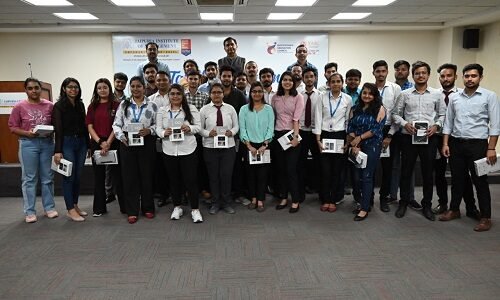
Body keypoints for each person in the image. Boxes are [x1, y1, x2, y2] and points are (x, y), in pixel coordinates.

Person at [440, 63, 499, 232]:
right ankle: (454, 210)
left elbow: (495, 125)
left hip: (478, 145)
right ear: (462, 77)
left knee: (480, 181)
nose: (470, 79)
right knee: (457, 179)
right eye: (467, 76)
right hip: (456, 143)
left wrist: (491, 148)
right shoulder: (454, 97)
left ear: (480, 77)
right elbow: (448, 122)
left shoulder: (489, 96)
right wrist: (445, 143)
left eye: (473, 76)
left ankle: (486, 217)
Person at [393, 61, 446, 221]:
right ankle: (403, 202)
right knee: (406, 172)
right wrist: (405, 124)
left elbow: (443, 115)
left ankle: (427, 205)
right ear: (413, 75)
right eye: (417, 73)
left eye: (423, 73)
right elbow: (396, 114)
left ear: (428, 75)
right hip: (408, 138)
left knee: (428, 173)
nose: (420, 75)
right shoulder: (405, 94)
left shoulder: (437, 94)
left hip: (429, 139)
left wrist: (436, 126)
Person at [8, 77, 58, 223]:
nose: (34, 91)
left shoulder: (50, 106)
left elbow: (56, 124)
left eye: (36, 88)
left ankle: (49, 208)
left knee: (47, 177)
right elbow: (12, 127)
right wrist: (27, 133)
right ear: (26, 90)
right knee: (29, 179)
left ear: (40, 89)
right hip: (28, 144)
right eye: (30, 88)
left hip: (47, 144)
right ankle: (30, 211)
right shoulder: (19, 107)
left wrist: (51, 131)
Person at [433, 63, 479, 218]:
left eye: (449, 75)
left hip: (457, 139)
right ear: (439, 77)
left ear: (456, 77)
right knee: (439, 174)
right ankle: (443, 203)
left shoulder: (462, 94)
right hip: (439, 138)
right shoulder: (434, 94)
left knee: (462, 175)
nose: (446, 79)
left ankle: (470, 207)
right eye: (443, 76)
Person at [112, 76, 157, 224]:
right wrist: (120, 136)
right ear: (129, 88)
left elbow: (158, 124)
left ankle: (148, 207)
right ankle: (132, 211)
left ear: (144, 88)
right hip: (127, 143)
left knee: (147, 175)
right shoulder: (124, 105)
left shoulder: (152, 105)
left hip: (146, 142)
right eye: (133, 86)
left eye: (139, 86)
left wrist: (149, 130)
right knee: (130, 177)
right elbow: (116, 124)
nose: (136, 89)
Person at [156, 84, 203, 223]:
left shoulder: (191, 109)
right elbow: (158, 128)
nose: (175, 96)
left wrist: (189, 128)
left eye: (178, 94)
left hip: (188, 149)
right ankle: (177, 207)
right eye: (172, 94)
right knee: (174, 180)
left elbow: (198, 127)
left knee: (191, 181)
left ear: (183, 95)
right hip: (169, 150)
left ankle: (195, 209)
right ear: (169, 95)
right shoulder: (162, 111)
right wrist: (164, 132)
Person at [313, 73, 352, 213]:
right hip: (324, 135)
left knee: (337, 170)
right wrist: (317, 139)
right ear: (328, 83)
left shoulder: (347, 99)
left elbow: (348, 121)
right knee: (325, 170)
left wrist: (348, 140)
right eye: (332, 81)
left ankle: (333, 199)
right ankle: (325, 199)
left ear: (342, 83)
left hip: (340, 136)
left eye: (338, 81)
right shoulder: (321, 97)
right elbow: (318, 117)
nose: (335, 84)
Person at [347, 83, 386, 221]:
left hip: (372, 145)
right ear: (361, 94)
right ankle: (362, 202)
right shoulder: (354, 108)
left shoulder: (380, 109)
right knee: (356, 177)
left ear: (375, 96)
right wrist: (355, 142)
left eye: (370, 93)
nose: (367, 96)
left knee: (367, 176)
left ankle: (364, 209)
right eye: (364, 93)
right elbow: (350, 126)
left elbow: (376, 129)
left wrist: (360, 138)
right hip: (356, 146)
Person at [85, 78, 124, 217]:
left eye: (105, 87)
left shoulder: (117, 105)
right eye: (99, 88)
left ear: (109, 88)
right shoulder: (92, 106)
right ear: (96, 90)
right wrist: (100, 142)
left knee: (118, 176)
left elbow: (118, 124)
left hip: (113, 142)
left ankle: (125, 207)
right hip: (97, 143)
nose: (102, 90)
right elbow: (89, 126)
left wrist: (108, 142)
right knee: (99, 177)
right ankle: (99, 208)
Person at [53, 77, 89, 222]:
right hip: (66, 143)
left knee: (78, 176)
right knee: (69, 176)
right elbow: (58, 130)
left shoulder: (80, 104)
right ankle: (70, 209)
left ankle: (75, 204)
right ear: (64, 89)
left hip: (81, 143)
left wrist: (89, 145)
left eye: (76, 87)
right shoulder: (59, 106)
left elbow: (85, 126)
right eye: (70, 87)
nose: (73, 89)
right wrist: (58, 150)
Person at [200, 83, 239, 214]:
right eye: (214, 92)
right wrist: (207, 133)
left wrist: (232, 133)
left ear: (223, 94)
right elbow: (199, 128)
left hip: (228, 147)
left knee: (226, 175)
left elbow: (236, 126)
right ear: (210, 94)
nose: (216, 95)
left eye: (219, 92)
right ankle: (215, 203)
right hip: (210, 147)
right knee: (213, 176)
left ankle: (226, 202)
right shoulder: (204, 110)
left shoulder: (230, 108)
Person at [271, 71, 304, 213]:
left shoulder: (298, 97)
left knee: (291, 169)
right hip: (278, 135)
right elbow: (273, 116)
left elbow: (296, 119)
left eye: (290, 80)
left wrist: (296, 137)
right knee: (281, 169)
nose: (287, 82)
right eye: (285, 79)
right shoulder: (275, 97)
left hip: (292, 135)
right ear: (281, 81)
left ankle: (295, 200)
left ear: (293, 82)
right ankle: (283, 198)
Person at [239, 82, 275, 212]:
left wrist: (265, 144)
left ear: (263, 93)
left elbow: (271, 128)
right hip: (248, 145)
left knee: (263, 174)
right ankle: (253, 198)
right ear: (251, 93)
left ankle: (260, 200)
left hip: (264, 145)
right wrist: (249, 145)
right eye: (254, 91)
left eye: (260, 91)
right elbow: (242, 129)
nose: (257, 94)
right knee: (250, 174)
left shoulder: (269, 109)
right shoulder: (244, 109)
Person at [372, 60, 401, 212]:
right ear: (373, 73)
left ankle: (384, 198)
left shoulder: (395, 89)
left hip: (388, 131)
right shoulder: (369, 88)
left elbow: (397, 114)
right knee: (370, 166)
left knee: (387, 168)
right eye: (378, 71)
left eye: (383, 71)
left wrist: (389, 135)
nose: (381, 74)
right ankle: (368, 198)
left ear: (387, 72)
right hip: (371, 131)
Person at [390, 59, 416, 208]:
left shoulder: (412, 89)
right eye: (398, 69)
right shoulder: (391, 88)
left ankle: (410, 197)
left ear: (408, 71)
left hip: (408, 132)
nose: (400, 71)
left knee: (409, 166)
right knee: (394, 165)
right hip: (393, 133)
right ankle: (393, 196)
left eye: (403, 69)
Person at [298, 67, 321, 202]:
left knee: (318, 163)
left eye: (311, 76)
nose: (309, 79)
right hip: (301, 132)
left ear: (315, 78)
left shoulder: (321, 95)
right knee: (300, 164)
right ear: (303, 78)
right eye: (306, 77)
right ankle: (300, 194)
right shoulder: (298, 95)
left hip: (315, 133)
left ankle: (318, 191)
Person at [149, 70, 171, 207]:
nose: (161, 82)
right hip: (157, 138)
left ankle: (178, 194)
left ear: (169, 81)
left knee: (175, 167)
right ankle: (163, 195)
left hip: (175, 137)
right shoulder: (151, 99)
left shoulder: (175, 96)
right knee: (160, 168)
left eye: (164, 80)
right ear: (155, 82)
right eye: (159, 80)